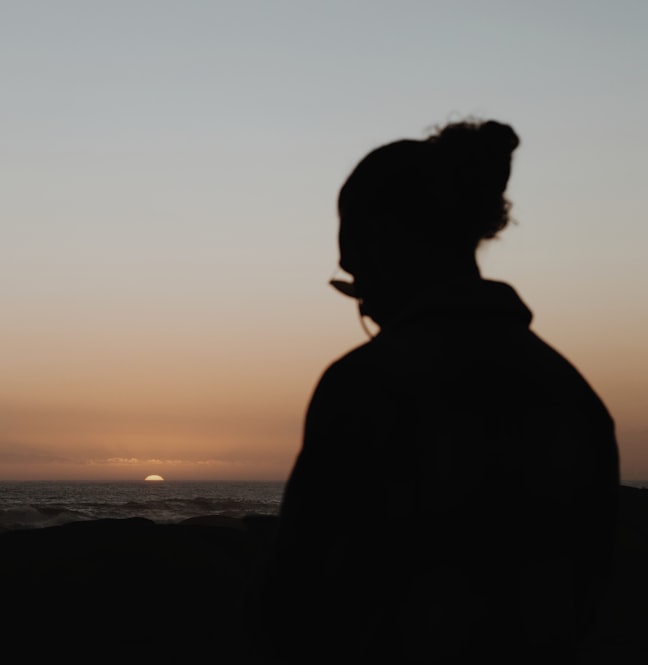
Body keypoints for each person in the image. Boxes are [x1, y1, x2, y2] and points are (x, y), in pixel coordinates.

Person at [261, 119, 619, 663]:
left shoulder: (367, 385)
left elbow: (302, 596)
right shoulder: (573, 394)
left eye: (352, 253)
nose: (353, 282)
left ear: (386, 238)